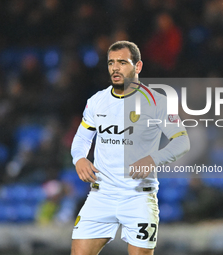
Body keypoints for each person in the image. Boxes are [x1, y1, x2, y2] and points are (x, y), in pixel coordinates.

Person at [70, 41, 190, 255]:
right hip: (101, 195)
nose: (115, 68)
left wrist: (153, 159)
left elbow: (182, 141)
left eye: (122, 62)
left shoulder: (158, 102)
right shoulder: (97, 101)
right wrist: (79, 158)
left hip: (138, 197)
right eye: (111, 63)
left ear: (138, 66)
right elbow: (81, 139)